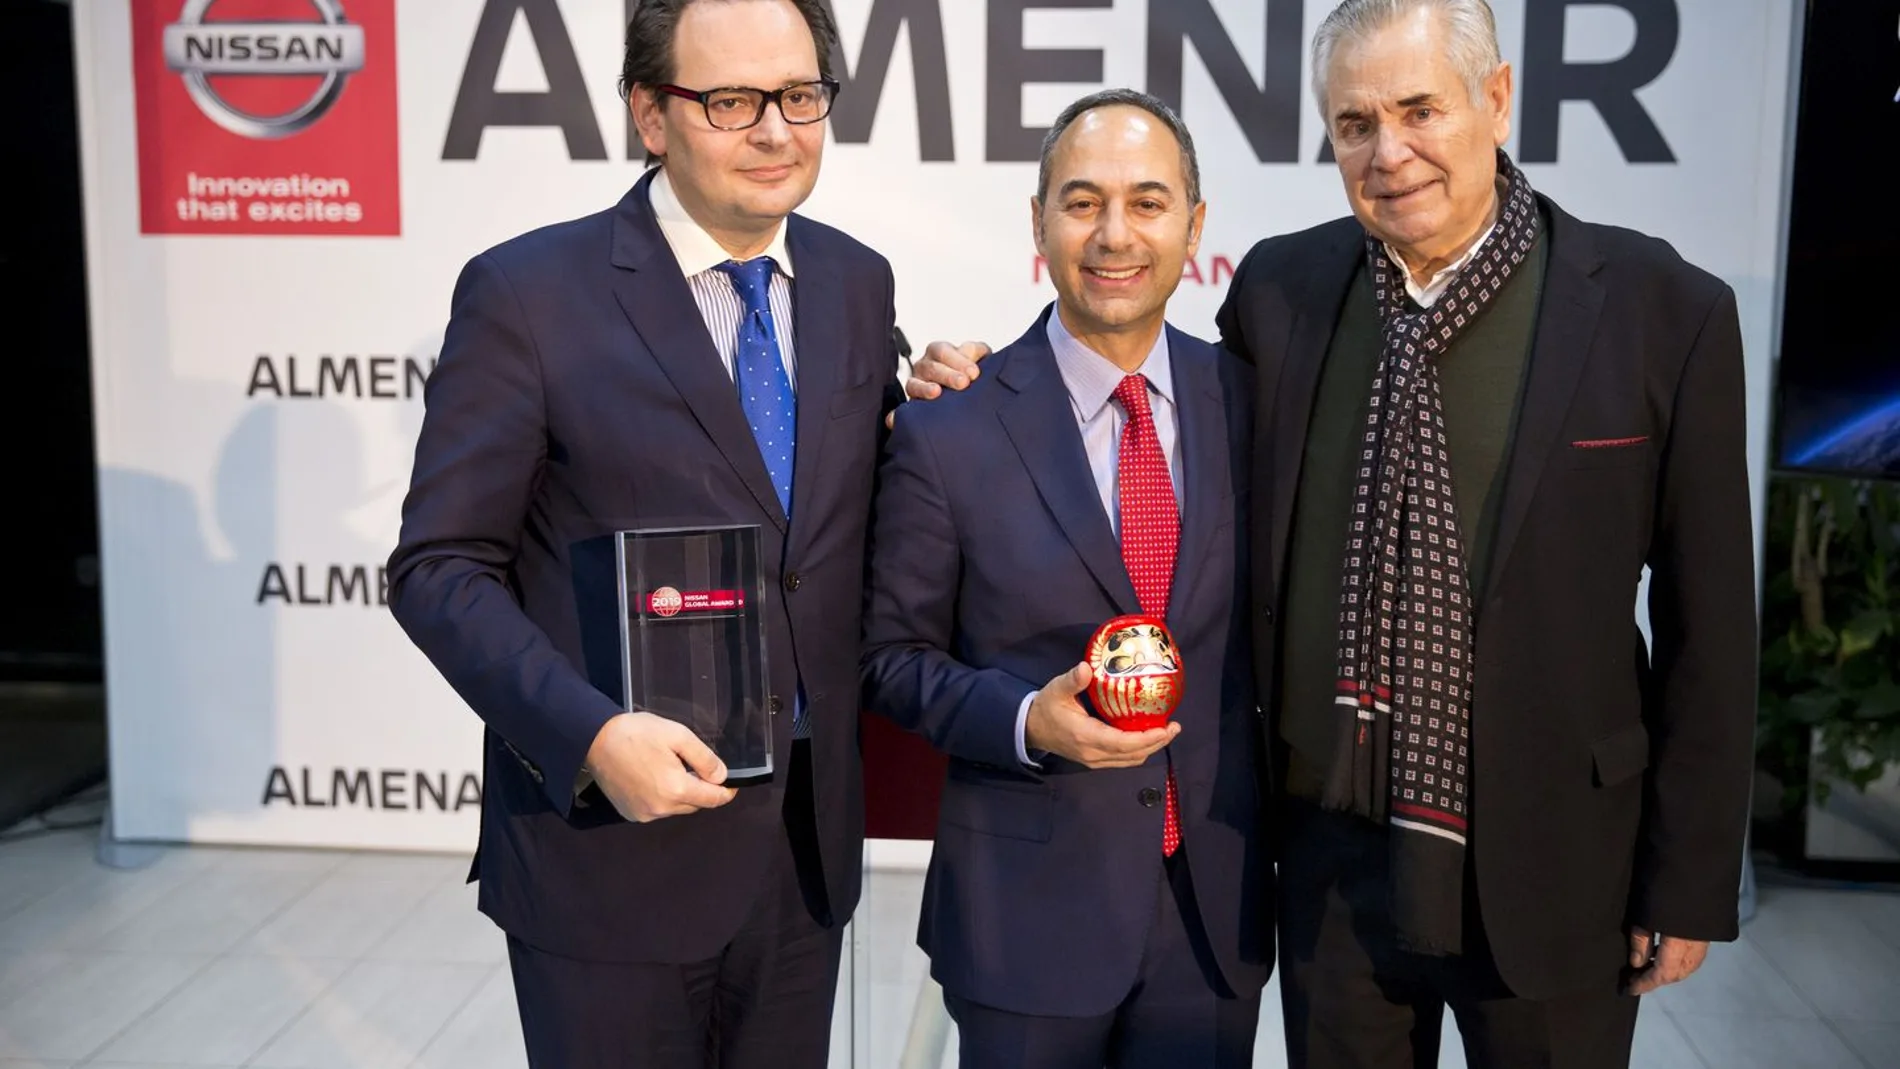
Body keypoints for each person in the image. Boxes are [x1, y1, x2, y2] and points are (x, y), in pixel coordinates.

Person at [905, 2, 1758, 1066]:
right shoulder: (1283, 291)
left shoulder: (1659, 310)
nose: (1387, 152)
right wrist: (975, 380)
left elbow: (1709, 628)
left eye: (1418, 111)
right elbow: (1133, 398)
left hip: (1553, 861)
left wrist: (1685, 880)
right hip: (1329, 863)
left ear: (1494, 102)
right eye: (1354, 124)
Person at [385, 1, 899, 1065]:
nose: (775, 131)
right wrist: (588, 737)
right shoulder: (529, 294)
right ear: (649, 116)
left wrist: (958, 411)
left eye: (801, 97)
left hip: (804, 852)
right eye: (730, 100)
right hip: (607, 856)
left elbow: (839, 525)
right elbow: (440, 569)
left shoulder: (856, 281)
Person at [861, 89, 1271, 1069]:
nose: (1113, 234)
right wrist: (1023, 720)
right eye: (1081, 202)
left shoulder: (1253, 406)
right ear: (1038, 223)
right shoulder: (950, 425)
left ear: (1195, 224)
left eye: (1147, 201)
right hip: (1022, 920)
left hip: (1211, 913)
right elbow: (888, 659)